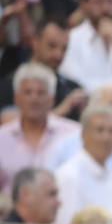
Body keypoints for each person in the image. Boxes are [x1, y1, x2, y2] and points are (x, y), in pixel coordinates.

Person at [0, 64, 81, 196]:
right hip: (10, 215)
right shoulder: (2, 138)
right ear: (16, 98)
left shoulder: (74, 134)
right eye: (27, 92)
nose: (34, 99)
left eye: (41, 92)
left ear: (52, 99)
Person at [0, 18, 86, 119]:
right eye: (52, 46)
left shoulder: (71, 89)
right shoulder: (12, 83)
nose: (58, 55)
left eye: (64, 48)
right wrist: (62, 110)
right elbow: (6, 122)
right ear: (35, 42)